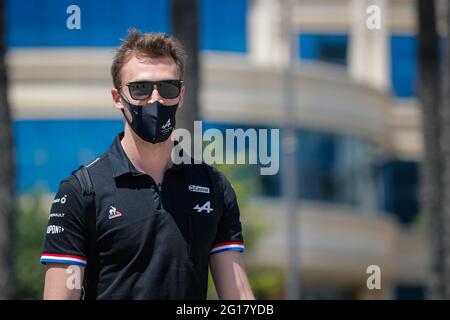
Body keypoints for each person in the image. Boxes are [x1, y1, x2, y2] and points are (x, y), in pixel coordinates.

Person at [40, 29, 254, 300]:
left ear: (181, 95)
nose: (155, 99)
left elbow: (237, 295)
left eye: (167, 88)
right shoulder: (81, 191)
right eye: (140, 88)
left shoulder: (213, 186)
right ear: (118, 98)